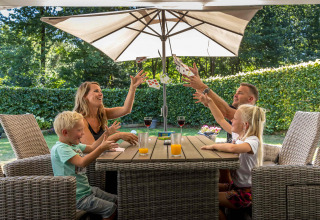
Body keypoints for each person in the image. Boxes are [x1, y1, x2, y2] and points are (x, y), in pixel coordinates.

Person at [73, 70, 147, 193]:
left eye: (101, 91)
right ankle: (116, 201)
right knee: (123, 170)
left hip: (106, 158)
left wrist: (132, 88)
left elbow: (126, 109)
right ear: (84, 96)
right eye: (96, 91)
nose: (100, 93)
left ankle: (124, 198)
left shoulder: (101, 113)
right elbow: (92, 148)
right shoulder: (80, 119)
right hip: (92, 166)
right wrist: (118, 135)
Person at [194, 92, 266, 220]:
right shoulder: (239, 136)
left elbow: (233, 148)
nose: (231, 120)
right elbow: (220, 119)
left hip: (246, 193)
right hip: (235, 186)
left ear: (245, 125)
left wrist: (213, 146)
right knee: (202, 186)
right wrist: (210, 102)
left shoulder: (253, 141)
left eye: (235, 118)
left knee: (205, 200)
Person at [51, 111, 119, 220]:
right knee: (110, 208)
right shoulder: (61, 148)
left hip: (86, 190)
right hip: (75, 197)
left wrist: (106, 134)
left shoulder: (72, 144)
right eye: (79, 130)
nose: (83, 133)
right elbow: (82, 162)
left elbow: (92, 147)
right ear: (65, 132)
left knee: (116, 199)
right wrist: (101, 148)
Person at [183, 63, 259, 142]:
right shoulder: (235, 109)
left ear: (250, 99)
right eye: (236, 92)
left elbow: (226, 112)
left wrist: (202, 86)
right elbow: (215, 107)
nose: (235, 95)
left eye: (240, 93)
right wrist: (196, 80)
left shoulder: (252, 116)